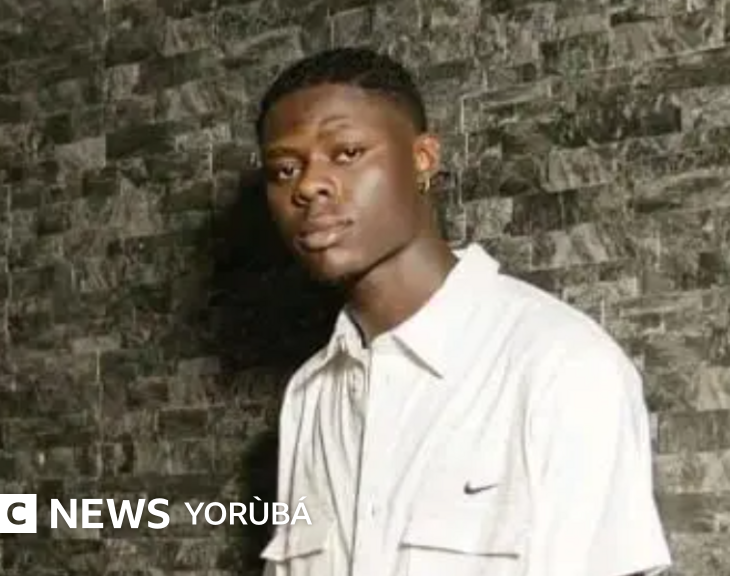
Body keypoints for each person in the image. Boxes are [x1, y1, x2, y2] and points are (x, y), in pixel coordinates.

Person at [252, 46, 672, 576]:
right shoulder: (311, 394)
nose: (309, 185)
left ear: (423, 159)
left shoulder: (560, 366)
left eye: (348, 152)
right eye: (285, 169)